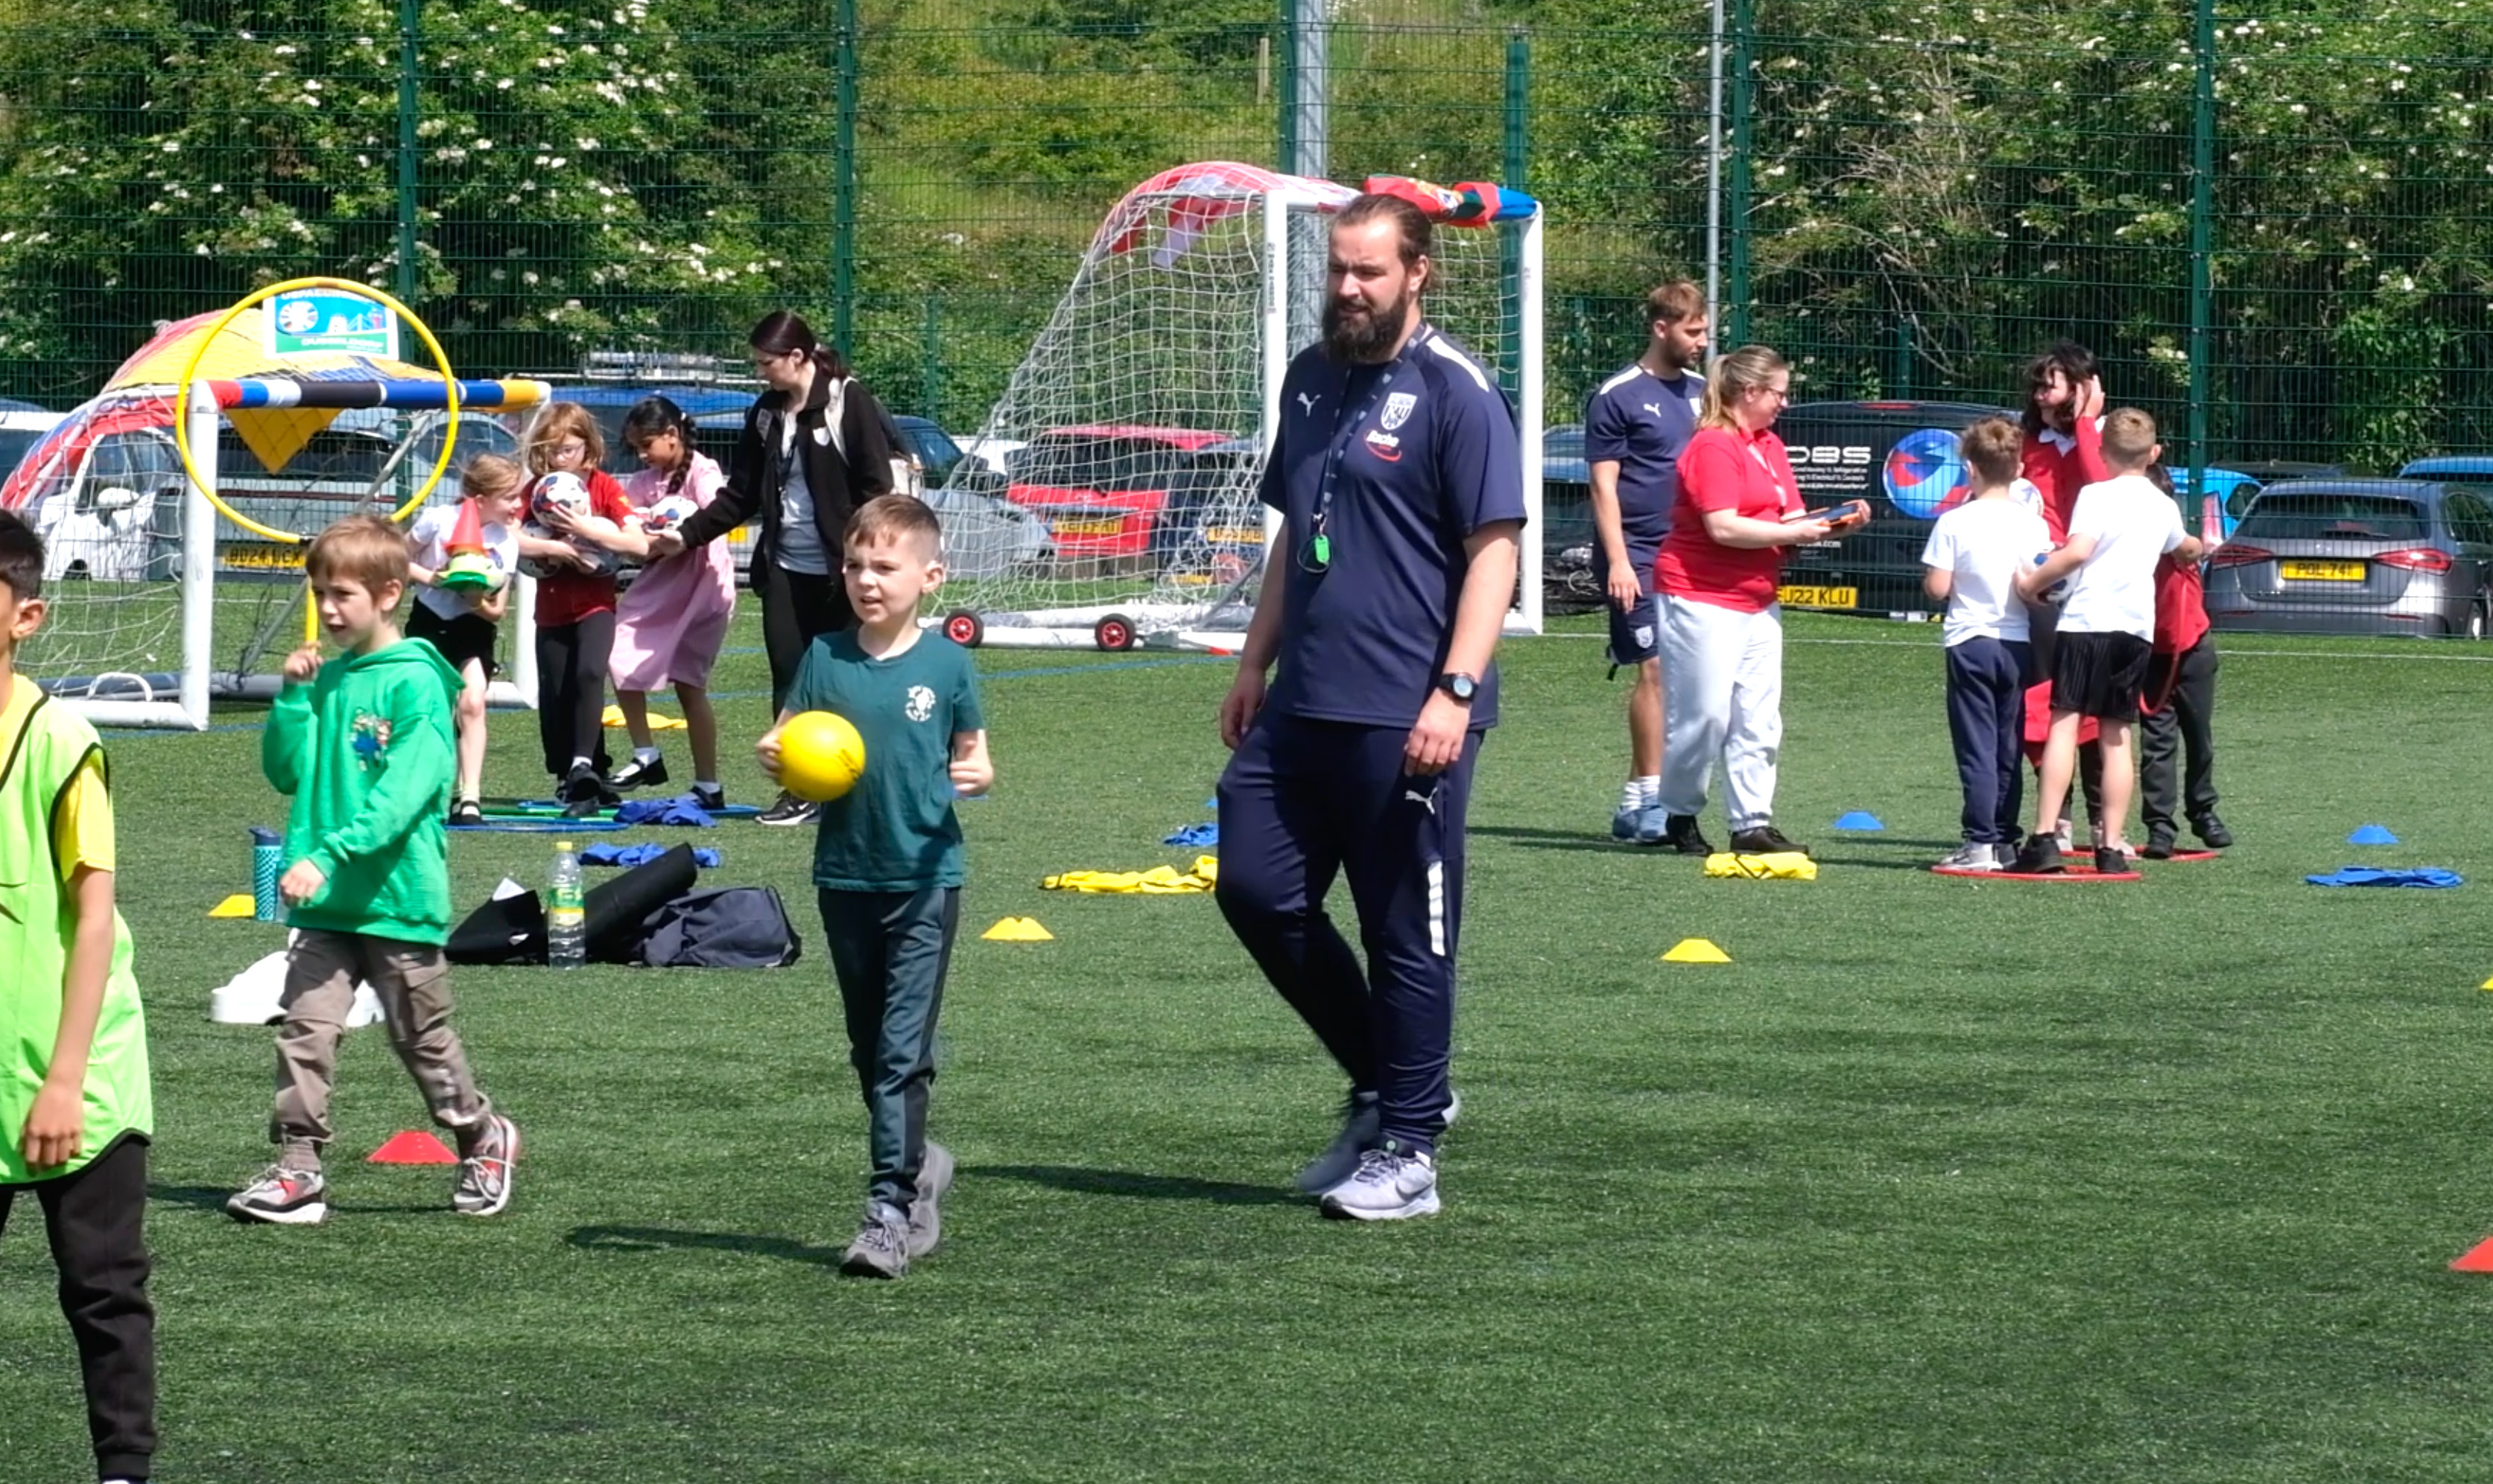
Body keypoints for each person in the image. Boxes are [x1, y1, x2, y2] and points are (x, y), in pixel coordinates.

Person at [1213, 192, 1524, 1223]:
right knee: (1255, 892)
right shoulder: (1309, 378)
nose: (1348, 289)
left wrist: (1455, 689)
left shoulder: (1456, 390)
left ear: (1417, 273)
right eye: (1339, 270)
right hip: (1300, 701)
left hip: (1408, 713)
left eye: (1369, 273)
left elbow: (1495, 554)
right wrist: (1252, 663)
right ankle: (1384, 1081)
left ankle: (1410, 1146)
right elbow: (1292, 533)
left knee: (1406, 933)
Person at [232, 515, 519, 1225]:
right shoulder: (328, 681)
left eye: (342, 596)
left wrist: (325, 855)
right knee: (306, 1030)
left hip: (395, 897)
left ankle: (482, 1134)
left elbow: (405, 793)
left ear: (390, 594)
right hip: (327, 904)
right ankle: (298, 1169)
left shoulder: (418, 684)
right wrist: (293, 698)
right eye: (321, 594)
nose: (328, 610)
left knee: (420, 1038)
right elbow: (287, 771)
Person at [756, 495, 990, 1278]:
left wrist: (978, 773)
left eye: (883, 567)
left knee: (899, 1054)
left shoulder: (948, 663)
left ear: (929, 576)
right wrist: (778, 752)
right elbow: (789, 737)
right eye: (855, 565)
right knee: (868, 1050)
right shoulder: (824, 657)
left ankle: (887, 1209)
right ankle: (919, 1160)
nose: (865, 580)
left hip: (925, 877)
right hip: (844, 876)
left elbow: (974, 754)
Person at [0, 510, 157, 1484]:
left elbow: (92, 917)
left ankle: (123, 1472)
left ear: (27, 617)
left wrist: (63, 1080)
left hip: (75, 1077)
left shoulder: (60, 738)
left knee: (103, 1291)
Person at [650, 309, 898, 828]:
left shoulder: (849, 403)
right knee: (790, 677)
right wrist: (684, 535)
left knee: (850, 681)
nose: (762, 372)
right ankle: (801, 790)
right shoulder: (766, 413)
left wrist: (863, 561)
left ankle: (862, 788)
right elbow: (740, 494)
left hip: (845, 573)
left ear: (798, 357)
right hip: (785, 567)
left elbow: (878, 491)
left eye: (767, 363)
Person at [1650, 344, 1847, 857]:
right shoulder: (1713, 446)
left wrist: (1828, 524)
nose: (1784, 402)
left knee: (1760, 718)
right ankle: (1679, 810)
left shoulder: (1770, 445)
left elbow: (1786, 518)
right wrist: (1797, 531)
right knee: (1705, 716)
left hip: (1758, 597)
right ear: (1750, 391)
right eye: (1779, 393)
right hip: (1700, 595)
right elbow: (1722, 526)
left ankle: (1752, 823)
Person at [2011, 410, 2205, 874]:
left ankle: (2044, 838)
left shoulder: (2095, 495)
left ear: (2101, 453)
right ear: (2154, 453)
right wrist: (2196, 549)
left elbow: (2078, 551)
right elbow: (2185, 546)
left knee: (2064, 725)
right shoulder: (2163, 505)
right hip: (2135, 629)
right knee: (2117, 734)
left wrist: (2032, 582)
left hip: (2087, 621)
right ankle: (2112, 845)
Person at [1584, 279, 1707, 843]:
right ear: (1661, 328)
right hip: (1636, 554)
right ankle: (1653, 799)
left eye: (1704, 329)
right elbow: (1604, 488)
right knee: (1654, 669)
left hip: (1690, 555)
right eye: (1693, 330)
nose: (1702, 340)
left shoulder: (1707, 393)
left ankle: (1636, 803)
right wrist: (1618, 562)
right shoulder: (1618, 395)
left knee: (1680, 680)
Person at [1919, 418, 2049, 871]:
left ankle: (1978, 844)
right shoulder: (2032, 524)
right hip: (2015, 641)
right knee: (2008, 744)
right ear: (2017, 467)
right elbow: (2040, 582)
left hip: (1970, 639)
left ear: (1969, 468)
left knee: (1977, 746)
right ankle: (2005, 841)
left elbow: (1937, 588)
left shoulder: (1954, 521)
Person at [608, 396, 737, 811]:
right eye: (637, 448)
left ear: (672, 435)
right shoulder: (644, 482)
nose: (644, 455)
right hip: (661, 583)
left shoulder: (704, 472)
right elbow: (634, 536)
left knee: (690, 685)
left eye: (648, 444)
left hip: (703, 586)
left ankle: (708, 785)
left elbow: (716, 514)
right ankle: (646, 753)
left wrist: (677, 529)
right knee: (617, 651)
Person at [522, 402, 646, 816]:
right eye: (554, 450)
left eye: (570, 449)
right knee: (557, 694)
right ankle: (572, 777)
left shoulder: (605, 488)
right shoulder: (537, 491)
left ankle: (583, 766)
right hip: (551, 608)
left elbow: (635, 541)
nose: (562, 458)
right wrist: (553, 548)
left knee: (590, 673)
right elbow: (508, 538)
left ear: (588, 448)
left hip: (597, 603)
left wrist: (587, 532)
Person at [403, 454, 526, 824]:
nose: (518, 504)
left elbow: (496, 610)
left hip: (473, 628)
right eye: (510, 497)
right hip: (428, 623)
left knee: (472, 703)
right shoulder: (437, 520)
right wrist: (433, 579)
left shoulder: (506, 542)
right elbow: (395, 557)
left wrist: (475, 599)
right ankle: (421, 791)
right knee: (430, 710)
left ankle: (468, 797)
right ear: (481, 500)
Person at [2138, 464, 2229, 858]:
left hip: (2193, 650)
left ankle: (2203, 810)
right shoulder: (2130, 554)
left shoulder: (2181, 546)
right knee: (2156, 743)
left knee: (2199, 736)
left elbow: (2194, 546)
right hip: (2149, 653)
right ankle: (2160, 826)